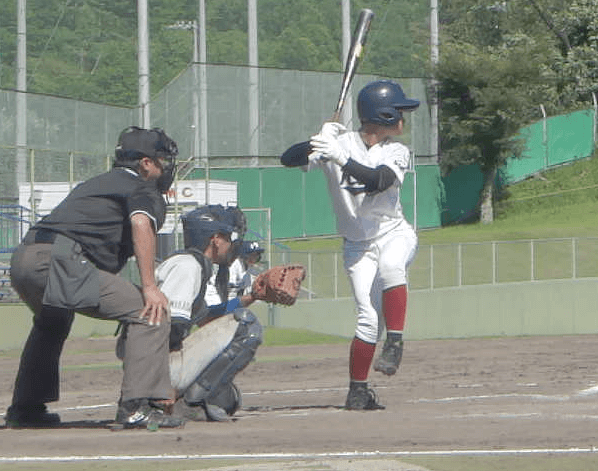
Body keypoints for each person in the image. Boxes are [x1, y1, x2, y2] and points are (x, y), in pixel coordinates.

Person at [5, 126, 183, 428]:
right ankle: (136, 407)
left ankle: (26, 409)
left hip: (25, 259)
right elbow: (141, 223)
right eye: (161, 160)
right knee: (150, 312)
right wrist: (150, 287)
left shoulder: (98, 183)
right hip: (59, 260)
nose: (165, 167)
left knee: (53, 321)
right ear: (145, 164)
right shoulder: (141, 188)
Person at [280, 79, 419, 410]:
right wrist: (319, 139)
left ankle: (395, 343)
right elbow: (288, 159)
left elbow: (378, 181)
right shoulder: (336, 144)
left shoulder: (396, 150)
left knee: (391, 267)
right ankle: (358, 390)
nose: (403, 117)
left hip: (393, 232)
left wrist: (340, 156)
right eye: (399, 111)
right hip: (357, 246)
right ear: (383, 114)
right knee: (367, 319)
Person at [129, 204, 263, 421]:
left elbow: (208, 317)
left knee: (228, 399)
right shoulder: (187, 266)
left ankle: (186, 397)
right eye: (228, 237)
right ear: (216, 239)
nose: (232, 244)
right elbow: (168, 328)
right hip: (155, 368)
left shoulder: (193, 263)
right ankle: (189, 403)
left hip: (155, 364)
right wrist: (160, 387)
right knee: (247, 325)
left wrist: (252, 297)